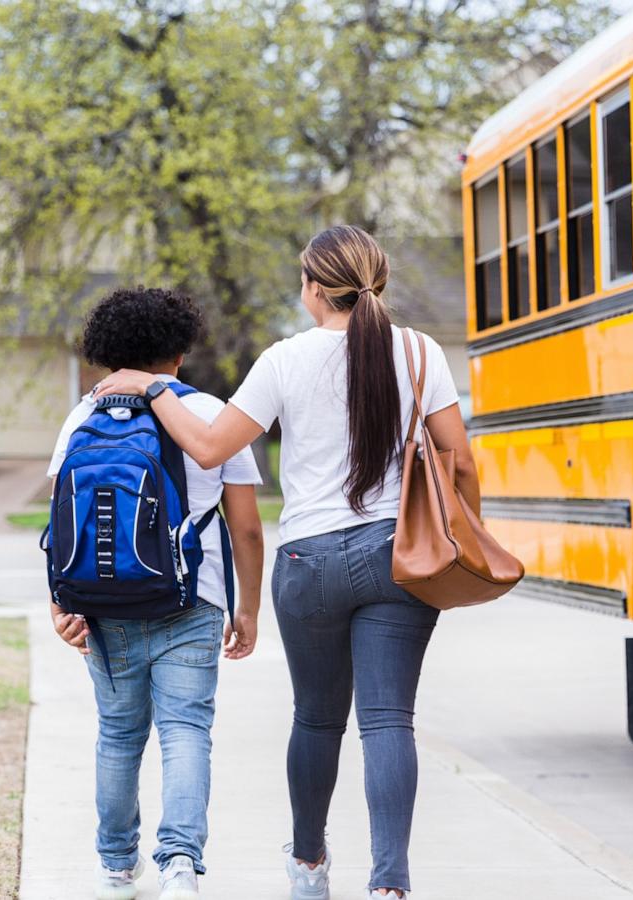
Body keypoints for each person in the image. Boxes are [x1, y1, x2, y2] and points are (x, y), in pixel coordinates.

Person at [96, 225, 474, 900]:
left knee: (317, 719)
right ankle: (389, 885)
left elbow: (209, 448)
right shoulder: (420, 352)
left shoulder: (283, 361)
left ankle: (307, 867)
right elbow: (461, 459)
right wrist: (460, 535)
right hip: (398, 558)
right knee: (389, 720)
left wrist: (155, 390)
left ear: (314, 288)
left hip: (308, 560)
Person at [48, 286, 266, 900]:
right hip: (193, 601)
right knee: (186, 730)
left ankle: (117, 866)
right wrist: (246, 608)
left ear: (108, 352)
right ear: (178, 352)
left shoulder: (82, 416)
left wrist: (61, 604)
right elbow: (246, 528)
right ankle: (179, 866)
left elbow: (63, 524)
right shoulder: (214, 415)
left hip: (103, 604)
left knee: (118, 734)